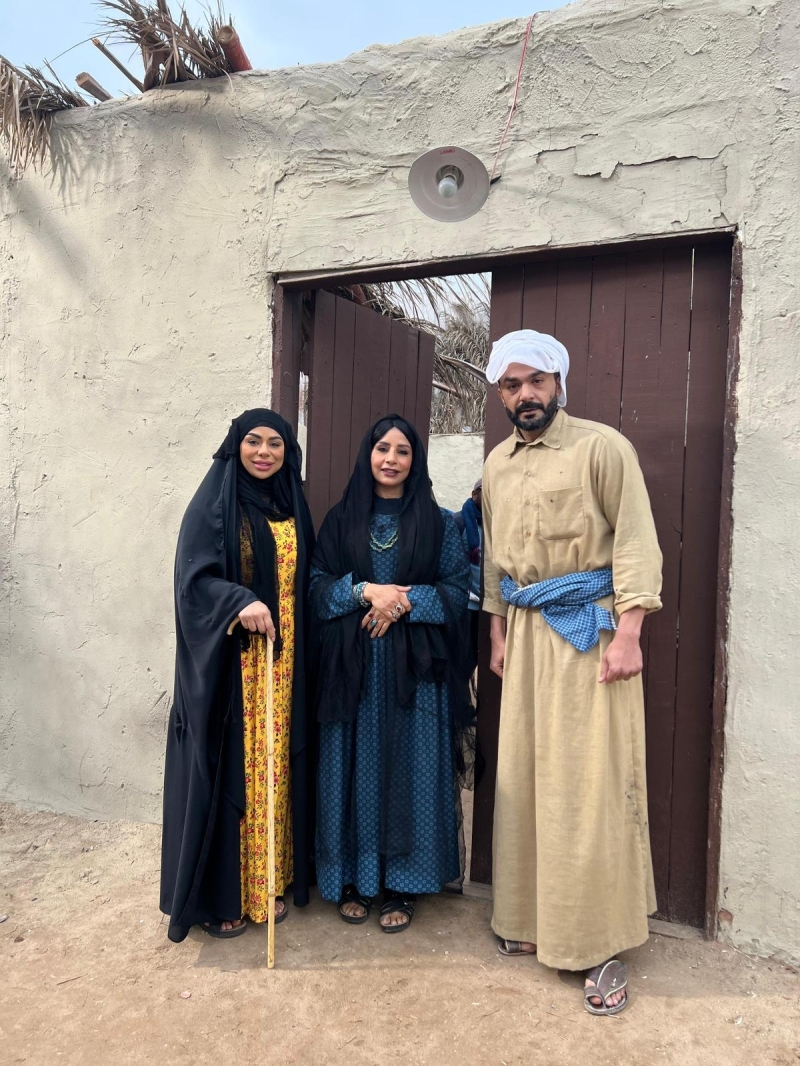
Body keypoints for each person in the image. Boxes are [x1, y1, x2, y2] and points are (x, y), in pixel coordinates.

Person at [481, 330, 662, 1015]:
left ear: (557, 381)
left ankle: (597, 942)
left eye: (536, 380)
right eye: (511, 385)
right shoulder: (497, 464)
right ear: (501, 395)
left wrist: (631, 633)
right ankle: (530, 918)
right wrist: (498, 630)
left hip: (592, 632)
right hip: (526, 634)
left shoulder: (602, 448)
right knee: (527, 777)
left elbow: (637, 542)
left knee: (589, 787)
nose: (525, 394)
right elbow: (494, 559)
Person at [310, 415, 473, 932]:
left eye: (403, 451)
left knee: (411, 770)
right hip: (351, 671)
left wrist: (400, 601)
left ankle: (405, 882)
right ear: (368, 454)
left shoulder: (440, 523)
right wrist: (364, 592)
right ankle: (352, 879)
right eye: (383, 448)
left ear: (414, 461)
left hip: (415, 673)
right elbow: (315, 586)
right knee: (351, 768)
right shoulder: (341, 520)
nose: (391, 459)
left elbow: (457, 590)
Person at [160, 409, 315, 942]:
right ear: (235, 445)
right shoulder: (213, 504)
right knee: (235, 771)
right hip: (236, 669)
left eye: (275, 443)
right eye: (253, 441)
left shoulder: (291, 503)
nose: (264, 452)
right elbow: (192, 582)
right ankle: (224, 895)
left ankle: (269, 880)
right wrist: (238, 601)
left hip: (284, 667)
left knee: (274, 769)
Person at [453, 478, 483, 677]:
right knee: (463, 657)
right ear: (474, 495)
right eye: (485, 491)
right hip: (466, 605)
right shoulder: (460, 521)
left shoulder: (500, 523)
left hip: (491, 605)